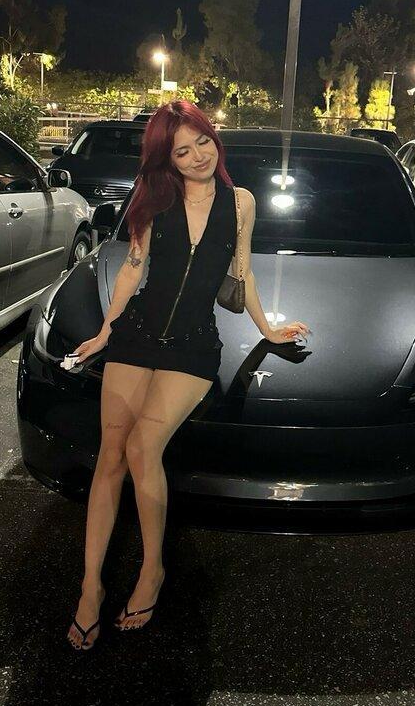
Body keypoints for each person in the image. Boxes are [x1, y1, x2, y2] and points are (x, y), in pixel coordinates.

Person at [66, 101, 310, 648]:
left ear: (213, 139)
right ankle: (90, 586)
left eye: (203, 141)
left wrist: (268, 328)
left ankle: (152, 569)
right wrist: (105, 331)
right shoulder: (155, 198)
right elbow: (133, 267)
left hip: (195, 345)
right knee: (110, 457)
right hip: (137, 333)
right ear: (167, 159)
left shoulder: (240, 203)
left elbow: (242, 274)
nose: (198, 156)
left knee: (142, 447)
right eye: (182, 150)